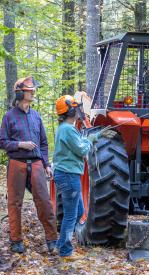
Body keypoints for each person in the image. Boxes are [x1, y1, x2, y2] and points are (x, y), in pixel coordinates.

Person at [0, 76, 58, 254]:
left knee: (45, 202)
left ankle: (52, 240)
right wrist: (19, 144)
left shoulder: (36, 116)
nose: (33, 92)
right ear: (20, 93)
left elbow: (44, 143)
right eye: (30, 90)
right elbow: (1, 143)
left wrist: (46, 164)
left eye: (33, 90)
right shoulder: (9, 117)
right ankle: (16, 241)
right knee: (14, 203)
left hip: (37, 164)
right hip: (16, 163)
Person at [52, 95, 93, 258]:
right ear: (70, 110)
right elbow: (81, 150)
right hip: (68, 175)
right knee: (71, 214)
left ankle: (61, 244)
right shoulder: (68, 129)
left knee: (78, 212)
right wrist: (89, 141)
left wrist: (83, 140)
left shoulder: (66, 128)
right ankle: (65, 251)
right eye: (76, 107)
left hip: (69, 174)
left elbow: (76, 145)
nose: (78, 110)